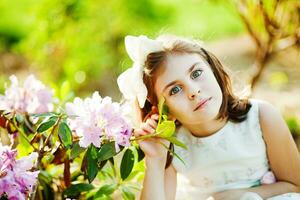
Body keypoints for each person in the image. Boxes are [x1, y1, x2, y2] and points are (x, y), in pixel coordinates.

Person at [117, 35, 300, 200]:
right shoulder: (169, 144)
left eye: (196, 73)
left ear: (213, 69)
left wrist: (236, 196)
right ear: (163, 110)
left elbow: (295, 186)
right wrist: (155, 162)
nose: (194, 91)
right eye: (175, 90)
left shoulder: (261, 117)